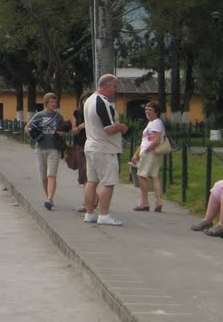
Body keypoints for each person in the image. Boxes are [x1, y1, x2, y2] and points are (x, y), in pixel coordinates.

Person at [82, 74, 129, 226]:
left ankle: (89, 213)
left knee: (91, 181)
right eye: (114, 86)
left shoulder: (88, 100)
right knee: (108, 182)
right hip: (104, 148)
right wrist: (122, 127)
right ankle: (104, 214)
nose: (115, 90)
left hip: (91, 145)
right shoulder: (102, 102)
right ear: (107, 85)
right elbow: (109, 128)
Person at [25, 93, 71, 210]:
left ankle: (50, 198)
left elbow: (63, 130)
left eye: (55, 102)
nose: (54, 104)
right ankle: (48, 198)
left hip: (54, 148)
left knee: (51, 175)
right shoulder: (39, 115)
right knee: (43, 176)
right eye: (51, 102)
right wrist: (33, 134)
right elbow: (27, 128)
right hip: (40, 148)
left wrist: (63, 133)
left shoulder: (58, 117)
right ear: (46, 103)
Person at [129, 101, 165, 213]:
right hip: (152, 153)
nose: (147, 112)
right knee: (154, 176)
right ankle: (159, 201)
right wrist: (136, 154)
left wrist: (145, 151)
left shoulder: (155, 123)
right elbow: (145, 140)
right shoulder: (153, 123)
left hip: (149, 153)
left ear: (156, 111)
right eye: (146, 109)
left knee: (141, 175)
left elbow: (156, 140)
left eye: (150, 110)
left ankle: (144, 202)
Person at [71, 92, 90, 212]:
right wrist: (80, 127)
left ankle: (91, 199)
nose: (86, 103)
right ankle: (86, 202)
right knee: (84, 172)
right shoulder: (77, 114)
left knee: (91, 174)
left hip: (94, 146)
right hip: (81, 145)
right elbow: (73, 131)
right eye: (84, 101)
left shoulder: (95, 113)